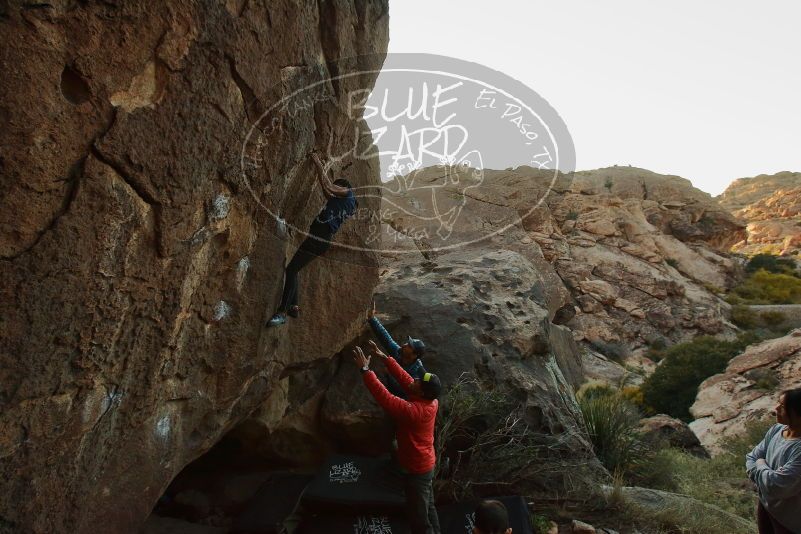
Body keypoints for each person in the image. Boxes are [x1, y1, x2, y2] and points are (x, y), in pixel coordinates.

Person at [353, 341, 442, 534]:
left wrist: (365, 370)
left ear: (422, 392)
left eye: (418, 381)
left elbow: (385, 397)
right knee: (428, 507)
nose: (415, 379)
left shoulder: (415, 411)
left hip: (417, 471)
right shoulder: (430, 400)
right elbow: (406, 378)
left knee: (419, 518)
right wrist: (385, 358)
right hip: (425, 464)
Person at [267, 152, 357, 326]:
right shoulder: (343, 203)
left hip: (319, 238)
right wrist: (319, 175)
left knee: (291, 270)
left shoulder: (348, 193)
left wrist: (318, 163)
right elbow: (327, 190)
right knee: (294, 269)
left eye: (338, 187)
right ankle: (294, 307)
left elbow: (330, 186)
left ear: (343, 188)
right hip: (321, 239)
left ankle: (282, 312)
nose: (335, 189)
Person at [745, 388, 801, 534]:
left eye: (782, 406)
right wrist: (765, 478)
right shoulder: (777, 430)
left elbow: (777, 486)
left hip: (791, 520)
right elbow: (751, 457)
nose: (775, 408)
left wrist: (760, 464)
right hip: (766, 507)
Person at [367, 300, 427, 398]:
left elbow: (403, 392)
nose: (404, 345)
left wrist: (389, 374)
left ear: (414, 355)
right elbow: (386, 339)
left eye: (409, 346)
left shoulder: (419, 373)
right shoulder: (399, 353)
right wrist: (372, 319)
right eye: (407, 343)